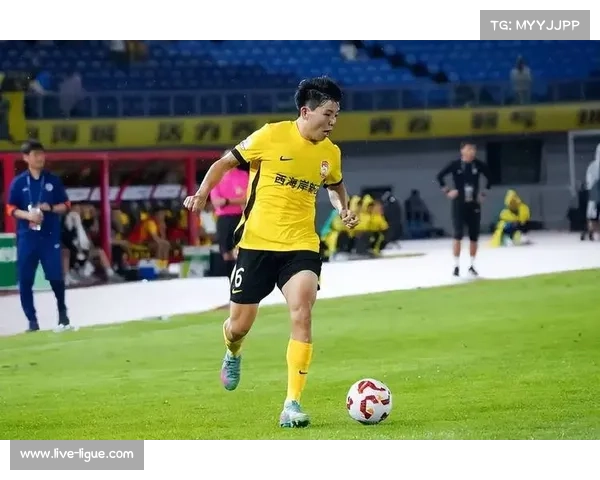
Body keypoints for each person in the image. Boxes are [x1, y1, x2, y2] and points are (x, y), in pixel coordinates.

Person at [184, 76, 359, 428]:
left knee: (302, 312)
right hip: (257, 244)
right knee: (238, 326)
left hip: (301, 245)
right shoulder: (270, 135)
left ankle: (292, 403)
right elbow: (223, 164)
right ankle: (232, 351)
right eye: (327, 114)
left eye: (336, 116)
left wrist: (343, 209)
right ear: (306, 111)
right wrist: (202, 194)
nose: (332, 122)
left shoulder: (331, 153)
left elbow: (335, 186)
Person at [5, 139, 73, 332]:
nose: (40, 158)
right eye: (35, 155)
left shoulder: (53, 180)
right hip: (27, 237)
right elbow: (10, 208)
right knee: (25, 279)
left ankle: (62, 313)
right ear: (26, 158)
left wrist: (50, 207)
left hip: (49, 236)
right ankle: (32, 322)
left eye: (42, 154)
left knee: (55, 277)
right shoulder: (19, 183)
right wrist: (28, 215)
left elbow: (67, 205)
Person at [436, 141, 491, 277]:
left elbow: (491, 177)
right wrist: (448, 191)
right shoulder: (455, 164)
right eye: (469, 149)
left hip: (473, 204)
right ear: (462, 151)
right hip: (459, 203)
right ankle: (456, 265)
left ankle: (472, 265)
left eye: (473, 149)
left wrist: (483, 193)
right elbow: (440, 176)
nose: (472, 152)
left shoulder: (478, 164)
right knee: (458, 234)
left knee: (474, 235)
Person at [209, 152, 250, 278]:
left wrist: (226, 201)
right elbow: (216, 202)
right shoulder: (217, 176)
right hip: (224, 218)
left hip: (240, 217)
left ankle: (240, 278)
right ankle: (229, 280)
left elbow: (246, 198)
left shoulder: (244, 175)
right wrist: (236, 200)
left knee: (240, 250)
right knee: (226, 252)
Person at [582, 143, 600, 241]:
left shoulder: (592, 166)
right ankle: (591, 232)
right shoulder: (593, 166)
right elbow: (589, 180)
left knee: (593, 214)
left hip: (594, 192)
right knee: (593, 214)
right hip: (595, 192)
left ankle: (592, 232)